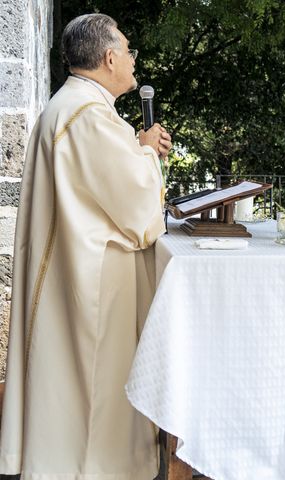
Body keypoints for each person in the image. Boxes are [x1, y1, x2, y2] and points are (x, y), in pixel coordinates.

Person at [0, 13, 172, 479]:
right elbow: (137, 208)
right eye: (129, 50)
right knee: (90, 398)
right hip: (91, 283)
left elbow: (98, 178)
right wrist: (147, 155)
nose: (134, 60)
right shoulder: (88, 115)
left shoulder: (74, 107)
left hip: (72, 269)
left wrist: (135, 144)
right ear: (110, 57)